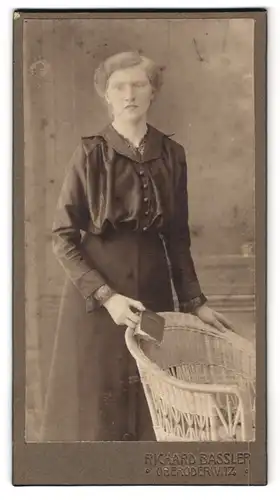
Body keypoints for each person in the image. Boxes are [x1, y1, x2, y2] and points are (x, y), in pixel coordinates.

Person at [41, 51, 233, 442]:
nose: (129, 94)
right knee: (97, 414)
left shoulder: (172, 154)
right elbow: (62, 236)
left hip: (154, 291)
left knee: (155, 406)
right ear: (106, 95)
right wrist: (106, 296)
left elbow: (177, 235)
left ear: (152, 92)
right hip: (96, 299)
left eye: (139, 85)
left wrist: (196, 302)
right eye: (119, 86)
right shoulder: (90, 154)